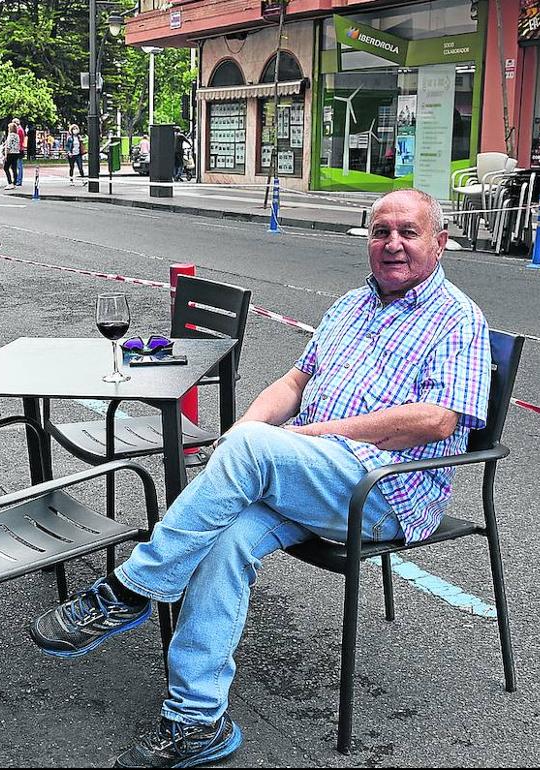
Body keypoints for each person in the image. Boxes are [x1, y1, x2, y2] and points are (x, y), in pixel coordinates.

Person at [29, 188, 491, 769]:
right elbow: (296, 384)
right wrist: (245, 431)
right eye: (380, 232)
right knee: (225, 532)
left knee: (249, 451)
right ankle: (197, 720)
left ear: (440, 243)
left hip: (386, 491)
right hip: (312, 474)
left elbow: (437, 420)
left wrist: (306, 438)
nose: (392, 244)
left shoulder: (458, 318)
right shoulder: (350, 305)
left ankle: (128, 591)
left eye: (408, 232)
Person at [2, 120, 21, 187]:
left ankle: (9, 182)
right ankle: (14, 182)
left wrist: (5, 155)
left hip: (10, 153)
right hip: (16, 153)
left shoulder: (10, 136)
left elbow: (8, 146)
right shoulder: (17, 136)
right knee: (14, 168)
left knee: (6, 167)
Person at [13, 117, 26, 187]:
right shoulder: (20, 129)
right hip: (19, 149)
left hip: (19, 149)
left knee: (19, 166)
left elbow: (18, 141)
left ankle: (19, 180)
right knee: (18, 165)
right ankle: (18, 179)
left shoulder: (19, 130)